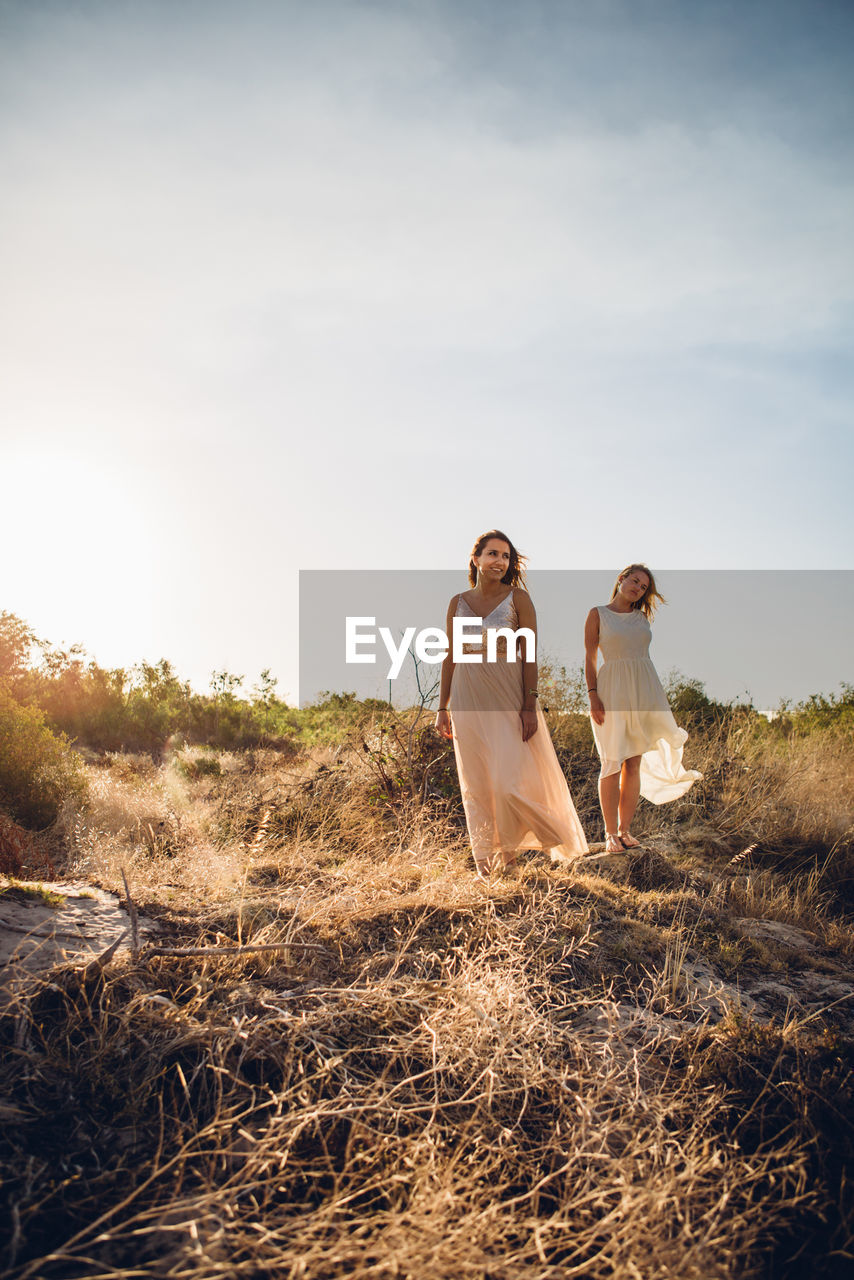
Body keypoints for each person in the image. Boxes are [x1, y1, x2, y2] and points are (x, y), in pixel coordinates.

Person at [435, 530, 588, 876]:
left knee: (506, 783)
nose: (499, 562)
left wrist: (529, 704)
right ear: (475, 559)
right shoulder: (456, 601)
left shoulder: (518, 599)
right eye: (492, 554)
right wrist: (442, 707)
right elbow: (450, 655)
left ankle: (547, 835)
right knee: (478, 784)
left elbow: (530, 654)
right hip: (467, 695)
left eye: (505, 556)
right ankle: (494, 867)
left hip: (507, 693)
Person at [584, 564, 702, 853]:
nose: (638, 588)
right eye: (635, 581)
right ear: (621, 579)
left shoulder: (641, 617)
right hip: (611, 692)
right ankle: (610, 833)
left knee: (633, 763)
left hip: (643, 692)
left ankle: (625, 830)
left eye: (643, 586)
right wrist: (593, 696)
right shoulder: (598, 614)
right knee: (611, 761)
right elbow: (589, 658)